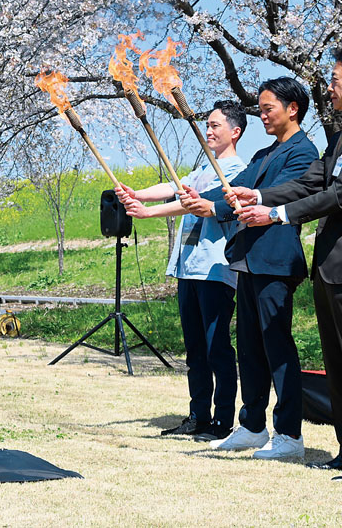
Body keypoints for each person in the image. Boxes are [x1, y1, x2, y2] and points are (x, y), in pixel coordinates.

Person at [228, 45, 342, 482]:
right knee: (336, 363)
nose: (329, 88)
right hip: (330, 262)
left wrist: (277, 215)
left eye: (335, 80)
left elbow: (340, 193)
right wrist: (260, 195)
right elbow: (314, 181)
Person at [183, 77, 318, 459]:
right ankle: (253, 426)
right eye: (260, 109)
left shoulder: (304, 152)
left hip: (276, 260)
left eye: (268, 108)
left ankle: (289, 433)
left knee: (276, 346)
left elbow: (284, 193)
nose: (262, 115)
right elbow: (232, 189)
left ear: (293, 109)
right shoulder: (263, 154)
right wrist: (200, 200)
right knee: (250, 348)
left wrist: (236, 201)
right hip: (247, 259)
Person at [115, 100, 247, 440]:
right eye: (207, 125)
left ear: (235, 132)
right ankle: (198, 416)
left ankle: (222, 422)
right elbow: (174, 188)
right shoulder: (203, 167)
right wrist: (137, 194)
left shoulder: (237, 172)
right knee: (195, 351)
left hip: (215, 270)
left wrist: (148, 213)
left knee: (217, 348)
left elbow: (193, 204)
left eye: (215, 125)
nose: (208, 131)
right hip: (188, 269)